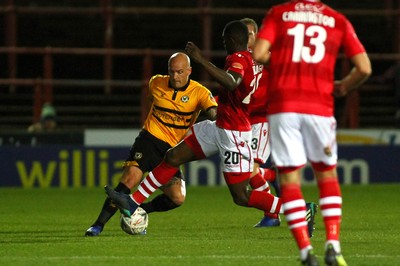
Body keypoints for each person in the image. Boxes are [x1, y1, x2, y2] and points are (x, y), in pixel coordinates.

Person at [105, 20, 307, 232]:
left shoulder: (238, 58)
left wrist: (201, 60)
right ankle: (133, 202)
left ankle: (299, 210)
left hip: (233, 132)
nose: (223, 43)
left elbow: (232, 82)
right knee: (173, 157)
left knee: (241, 195)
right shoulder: (256, 60)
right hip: (219, 126)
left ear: (230, 40)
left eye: (223, 40)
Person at [252, 1, 372, 265]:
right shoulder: (336, 19)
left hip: (284, 106)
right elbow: (364, 67)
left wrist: (284, 63)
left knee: (290, 179)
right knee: (327, 174)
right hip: (319, 106)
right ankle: (333, 245)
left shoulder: (278, 13)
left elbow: (259, 53)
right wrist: (343, 86)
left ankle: (306, 252)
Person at [85, 52, 218, 236]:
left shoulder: (200, 92)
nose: (176, 76)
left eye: (180, 72)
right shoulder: (156, 83)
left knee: (177, 198)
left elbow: (213, 112)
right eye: (172, 72)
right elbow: (151, 102)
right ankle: (97, 225)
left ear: (189, 71)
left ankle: (138, 211)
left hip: (171, 150)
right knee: (130, 179)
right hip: (148, 140)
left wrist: (216, 116)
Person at [240, 17, 283, 228]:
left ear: (256, 35)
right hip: (244, 121)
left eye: (248, 34)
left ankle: (273, 215)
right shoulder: (238, 59)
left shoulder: (266, 57)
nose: (245, 38)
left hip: (262, 120)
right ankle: (272, 175)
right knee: (246, 170)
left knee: (248, 170)